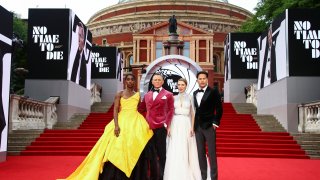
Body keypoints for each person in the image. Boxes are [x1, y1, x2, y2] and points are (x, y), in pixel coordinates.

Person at [62, 74, 153, 180]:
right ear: (125, 81)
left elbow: (140, 108)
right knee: (116, 146)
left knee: (134, 144)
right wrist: (116, 125)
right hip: (121, 119)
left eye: (132, 79)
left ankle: (134, 171)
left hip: (135, 121)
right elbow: (115, 110)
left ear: (134, 82)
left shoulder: (138, 95)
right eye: (128, 79)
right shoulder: (119, 94)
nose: (130, 81)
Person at [164, 78, 202, 180]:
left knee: (185, 146)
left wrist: (192, 127)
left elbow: (193, 114)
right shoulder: (173, 97)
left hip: (186, 123)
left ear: (186, 86)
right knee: (175, 147)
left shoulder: (190, 97)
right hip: (175, 123)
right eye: (179, 85)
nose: (180, 86)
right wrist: (169, 127)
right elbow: (170, 113)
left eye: (182, 85)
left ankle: (187, 170)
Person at [139, 73, 174, 180]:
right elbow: (141, 109)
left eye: (159, 80)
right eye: (155, 80)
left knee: (161, 153)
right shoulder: (147, 95)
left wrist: (165, 123)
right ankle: (152, 176)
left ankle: (163, 175)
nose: (157, 81)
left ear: (163, 82)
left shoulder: (168, 94)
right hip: (148, 127)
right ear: (152, 81)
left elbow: (171, 110)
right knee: (150, 153)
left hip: (160, 127)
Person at [193, 71, 223, 180]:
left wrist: (215, 123)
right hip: (198, 127)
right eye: (200, 79)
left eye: (204, 78)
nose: (202, 80)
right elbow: (196, 111)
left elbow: (219, 109)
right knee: (200, 154)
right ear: (197, 81)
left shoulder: (213, 91)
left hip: (209, 126)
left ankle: (214, 177)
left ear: (207, 79)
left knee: (212, 153)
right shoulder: (195, 93)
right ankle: (203, 177)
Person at [70, 22, 88, 88]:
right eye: (78, 36)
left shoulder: (84, 62)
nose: (79, 40)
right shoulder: (73, 59)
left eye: (81, 36)